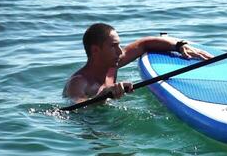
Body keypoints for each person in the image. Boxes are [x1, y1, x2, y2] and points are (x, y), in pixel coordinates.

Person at [63, 23, 213, 104]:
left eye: (119, 45)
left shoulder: (111, 65)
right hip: (92, 134)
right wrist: (102, 97)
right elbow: (78, 109)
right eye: (113, 46)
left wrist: (179, 46)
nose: (120, 52)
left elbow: (144, 44)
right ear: (96, 50)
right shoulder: (78, 83)